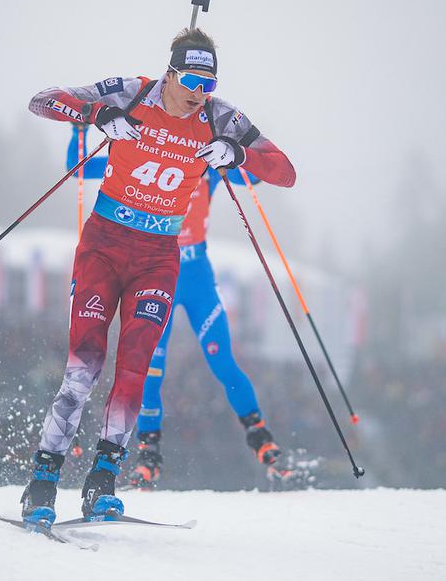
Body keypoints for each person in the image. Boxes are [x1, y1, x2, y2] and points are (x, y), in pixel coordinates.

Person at [21, 28, 295, 526]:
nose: (198, 93)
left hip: (157, 258)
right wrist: (99, 114)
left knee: (134, 369)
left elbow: (284, 171)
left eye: (207, 84)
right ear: (171, 73)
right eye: (190, 79)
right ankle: (42, 480)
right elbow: (42, 101)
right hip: (104, 247)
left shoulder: (221, 119)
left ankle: (103, 482)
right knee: (84, 366)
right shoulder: (130, 92)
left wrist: (238, 155)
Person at [63, 127, 293, 489]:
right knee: (152, 367)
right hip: (157, 271)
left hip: (196, 276)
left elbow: (258, 177)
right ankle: (148, 455)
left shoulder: (206, 167)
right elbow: (79, 169)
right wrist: (79, 131)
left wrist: (236, 147)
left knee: (221, 359)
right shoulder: (149, 161)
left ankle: (261, 437)